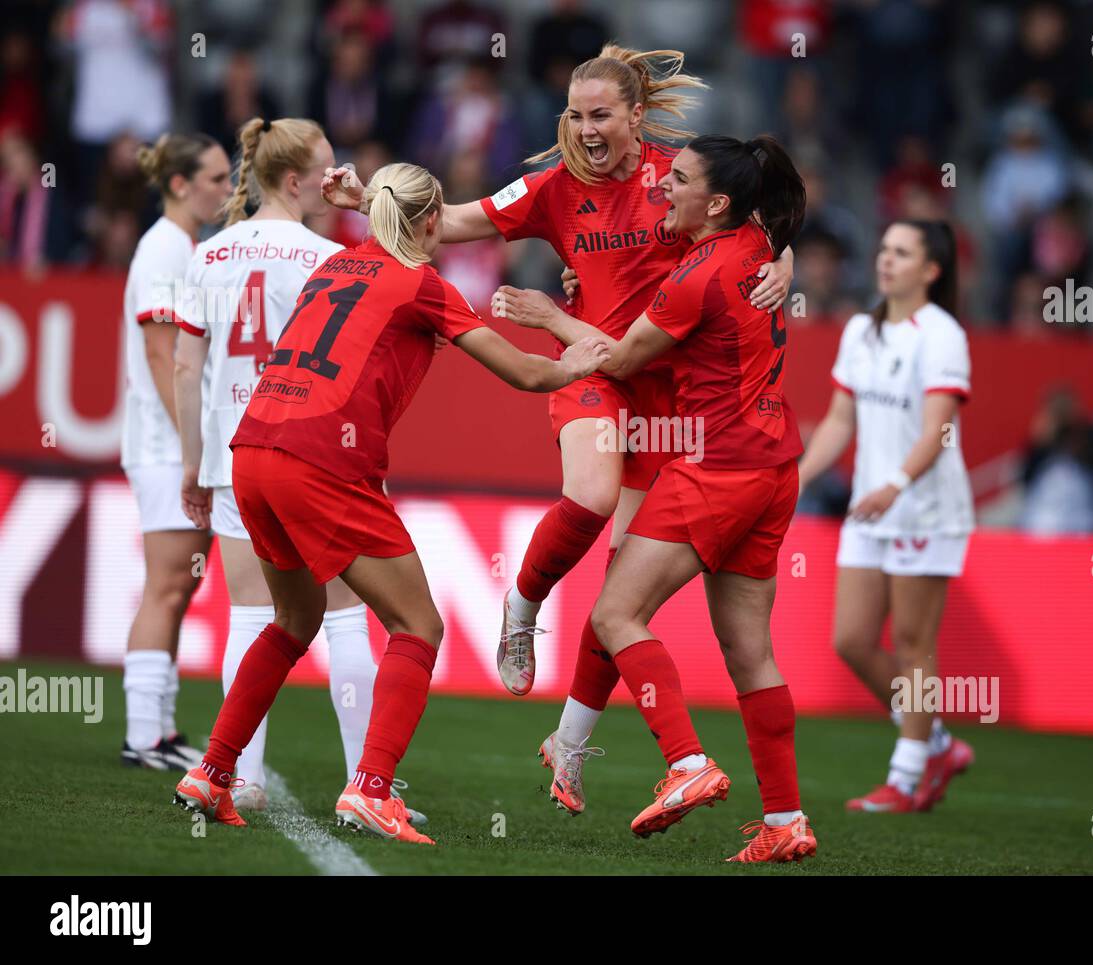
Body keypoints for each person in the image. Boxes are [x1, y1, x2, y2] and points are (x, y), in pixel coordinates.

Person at [322, 44, 794, 815]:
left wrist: (790, 261)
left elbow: (760, 224)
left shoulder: (683, 177)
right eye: (574, 114)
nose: (585, 129)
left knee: (618, 599)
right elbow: (447, 220)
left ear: (638, 116)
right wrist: (359, 196)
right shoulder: (550, 187)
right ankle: (524, 604)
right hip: (587, 368)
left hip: (665, 400)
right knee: (591, 494)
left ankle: (570, 744)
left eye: (601, 114)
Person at [172, 161, 608, 844]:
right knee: (417, 625)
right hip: (321, 460)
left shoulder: (337, 265)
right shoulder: (423, 285)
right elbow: (526, 372)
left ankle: (212, 770)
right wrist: (586, 356)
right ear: (433, 222)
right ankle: (372, 788)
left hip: (252, 448)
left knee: (292, 618)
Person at [492, 133, 815, 863]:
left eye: (679, 181)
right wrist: (787, 259)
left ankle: (686, 761)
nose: (662, 189)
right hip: (774, 464)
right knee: (751, 653)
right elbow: (781, 227)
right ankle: (786, 818)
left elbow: (616, 357)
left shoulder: (696, 274)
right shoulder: (759, 243)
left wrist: (546, 317)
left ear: (719, 202)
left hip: (717, 464)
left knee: (614, 610)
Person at [172, 117, 387, 814]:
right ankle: (366, 783)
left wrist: (192, 463)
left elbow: (186, 365)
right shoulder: (328, 257)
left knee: (249, 618)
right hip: (315, 449)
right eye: (327, 167)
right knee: (348, 617)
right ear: (294, 178)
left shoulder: (207, 256)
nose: (335, 177)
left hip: (237, 452)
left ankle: (241, 776)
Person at [798, 220, 975, 813]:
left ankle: (905, 777)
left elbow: (939, 430)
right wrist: (795, 478)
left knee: (911, 642)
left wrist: (897, 484)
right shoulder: (860, 328)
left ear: (931, 270)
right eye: (883, 248)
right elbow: (840, 421)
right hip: (870, 508)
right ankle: (938, 744)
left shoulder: (943, 335)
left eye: (901, 252)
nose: (885, 260)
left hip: (923, 508)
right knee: (850, 639)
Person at [120, 132, 232, 771]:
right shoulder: (164, 250)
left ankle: (155, 729)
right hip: (166, 446)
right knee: (166, 586)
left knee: (173, 589)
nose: (225, 189)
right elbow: (164, 357)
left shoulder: (178, 248)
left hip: (171, 443)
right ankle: (143, 734)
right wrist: (193, 450)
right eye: (215, 179)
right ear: (181, 184)